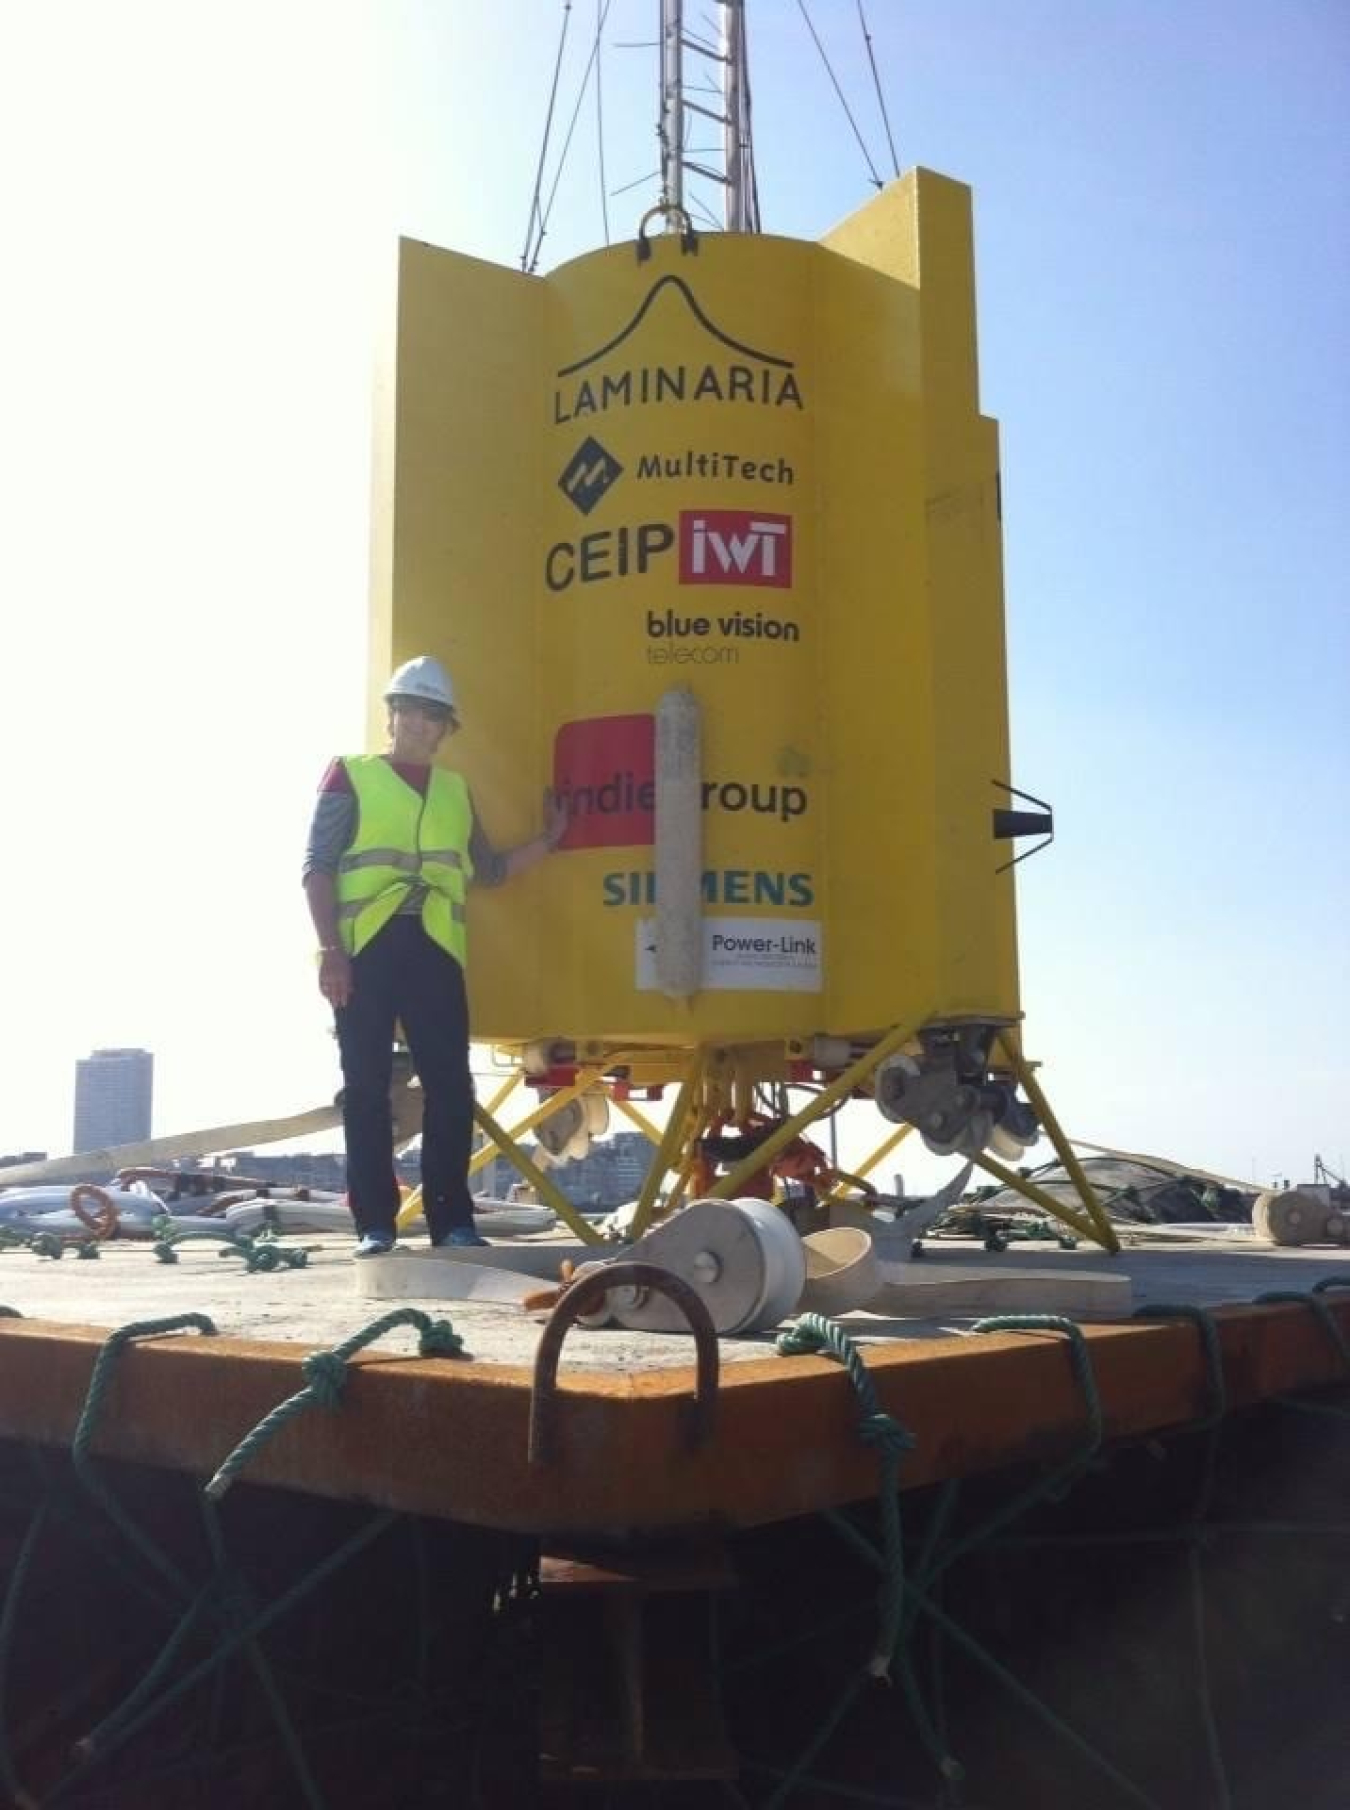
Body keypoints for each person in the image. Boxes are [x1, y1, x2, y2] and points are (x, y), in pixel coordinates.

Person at [303, 655, 565, 1257]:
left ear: (447, 730)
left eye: (435, 718)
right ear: (392, 715)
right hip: (365, 946)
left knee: (451, 1086)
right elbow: (317, 868)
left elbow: (489, 869)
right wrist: (331, 952)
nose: (423, 726)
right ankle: (375, 1224)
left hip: (434, 947)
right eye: (413, 713)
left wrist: (550, 841)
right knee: (365, 1086)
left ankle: (453, 1222)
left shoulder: (455, 792)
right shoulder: (349, 775)